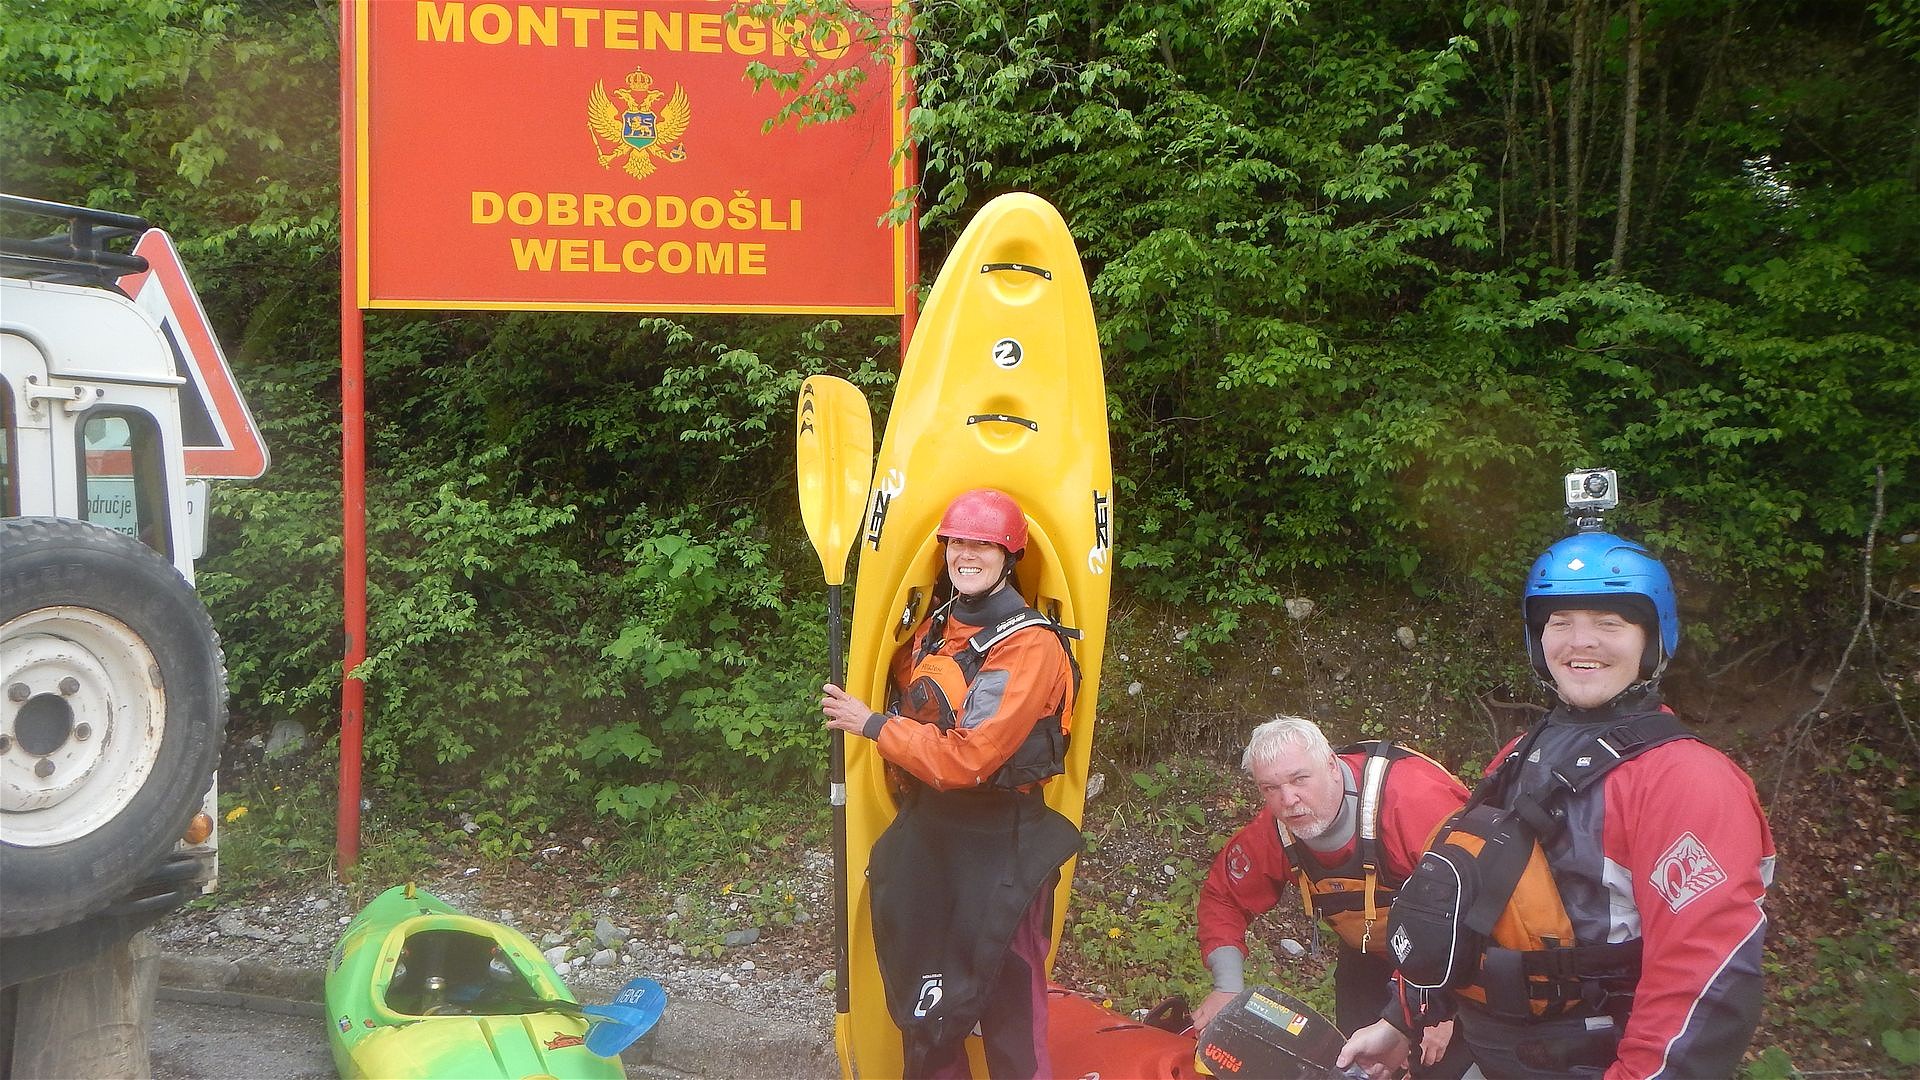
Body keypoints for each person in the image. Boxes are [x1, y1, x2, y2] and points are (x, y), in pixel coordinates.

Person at [1340, 530, 1777, 1080]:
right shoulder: (1521, 753)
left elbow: (1707, 978)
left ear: (1652, 638)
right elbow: (1471, 900)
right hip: (1494, 1052)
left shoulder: (1687, 781)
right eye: (1560, 622)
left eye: (1609, 623)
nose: (1580, 641)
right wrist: (1402, 1020)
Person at [822, 488, 1081, 1079]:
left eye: (983, 544)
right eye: (958, 542)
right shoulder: (938, 623)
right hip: (934, 831)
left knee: (1008, 998)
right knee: (928, 1000)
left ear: (1008, 553)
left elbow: (970, 759)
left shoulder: (1029, 645)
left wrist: (873, 725)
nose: (968, 554)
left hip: (1002, 837)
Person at [1195, 716, 1475, 1077]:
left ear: (1330, 762)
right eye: (1270, 788)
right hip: (1370, 952)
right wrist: (1227, 988)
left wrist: (1443, 1006)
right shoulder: (1275, 829)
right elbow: (1224, 897)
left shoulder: (1412, 801)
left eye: (1299, 779)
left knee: (1441, 1067)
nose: (1288, 800)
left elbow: (1481, 902)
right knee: (1355, 1068)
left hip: (1459, 963)